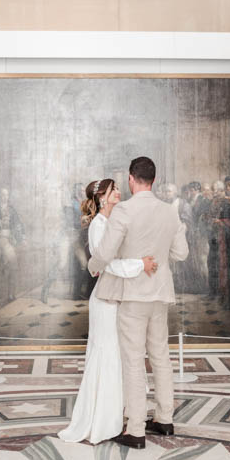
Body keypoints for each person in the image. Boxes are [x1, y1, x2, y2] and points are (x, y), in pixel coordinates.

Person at [89, 157, 189, 449]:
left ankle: (136, 429)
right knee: (160, 356)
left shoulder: (123, 210)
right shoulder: (170, 212)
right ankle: (165, 419)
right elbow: (181, 253)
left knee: (133, 360)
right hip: (160, 294)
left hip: (132, 295)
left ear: (132, 179)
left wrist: (93, 266)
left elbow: (105, 252)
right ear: (154, 180)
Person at [59, 179, 157, 444]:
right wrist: (141, 264)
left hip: (121, 297)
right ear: (102, 197)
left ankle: (126, 414)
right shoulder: (98, 226)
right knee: (109, 354)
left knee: (123, 354)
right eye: (113, 190)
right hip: (105, 300)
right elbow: (108, 265)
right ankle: (104, 420)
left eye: (117, 188)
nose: (118, 192)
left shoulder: (115, 221)